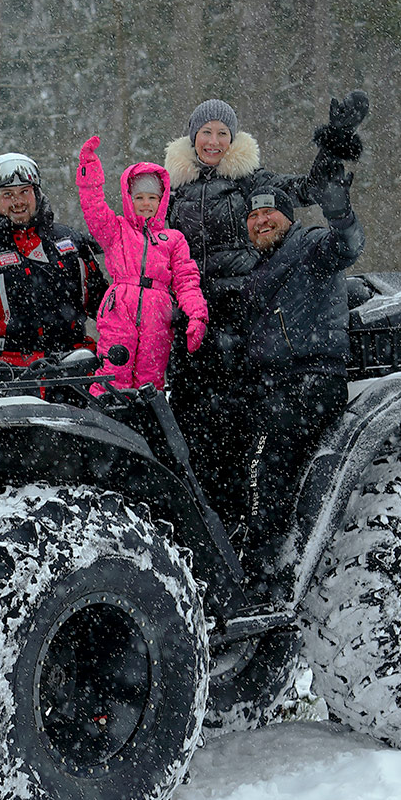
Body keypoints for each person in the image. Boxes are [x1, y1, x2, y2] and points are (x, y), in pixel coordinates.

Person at [238, 128, 366, 595]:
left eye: (269, 212)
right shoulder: (259, 269)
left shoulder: (309, 246)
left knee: (264, 463)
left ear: (288, 217)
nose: (261, 220)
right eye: (253, 215)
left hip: (311, 379)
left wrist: (339, 210)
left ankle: (263, 573)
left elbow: (347, 244)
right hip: (279, 384)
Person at [161, 99, 298, 524]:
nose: (214, 141)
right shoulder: (172, 188)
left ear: (233, 139)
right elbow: (142, 229)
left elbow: (297, 191)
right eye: (206, 132)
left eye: (223, 133)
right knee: (189, 417)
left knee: (238, 417)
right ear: (193, 137)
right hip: (190, 315)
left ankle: (241, 517)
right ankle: (200, 517)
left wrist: (329, 158)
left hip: (239, 311)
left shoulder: (250, 181)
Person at [0, 152, 107, 367]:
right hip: (10, 369)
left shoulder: (70, 242)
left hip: (76, 361)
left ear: (36, 193)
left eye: (24, 191)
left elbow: (104, 303)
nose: (18, 201)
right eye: (8, 194)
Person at [73, 135, 209, 392]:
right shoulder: (116, 230)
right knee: (114, 371)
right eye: (139, 198)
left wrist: (197, 315)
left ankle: (148, 416)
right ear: (129, 199)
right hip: (119, 309)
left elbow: (187, 281)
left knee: (151, 377)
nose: (146, 204)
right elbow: (94, 208)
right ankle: (106, 411)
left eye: (152, 198)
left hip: (158, 315)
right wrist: (89, 170)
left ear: (162, 200)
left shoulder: (173, 239)